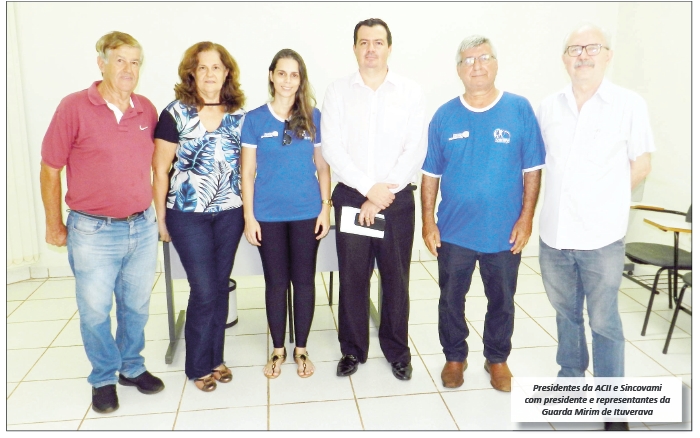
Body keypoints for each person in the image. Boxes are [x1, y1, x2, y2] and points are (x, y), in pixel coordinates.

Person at [537, 24, 653, 431]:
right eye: (574, 49)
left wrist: (606, 202)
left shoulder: (629, 104)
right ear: (564, 58)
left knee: (604, 322)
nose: (582, 55)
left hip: (602, 238)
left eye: (592, 48)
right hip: (554, 237)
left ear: (607, 55)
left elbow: (642, 164)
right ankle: (569, 383)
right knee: (566, 316)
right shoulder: (548, 107)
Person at [40, 31, 163, 414]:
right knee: (95, 311)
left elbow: (159, 165)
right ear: (102, 63)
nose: (129, 69)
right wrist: (54, 224)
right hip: (92, 231)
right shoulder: (74, 107)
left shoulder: (146, 109)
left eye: (135, 62)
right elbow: (50, 169)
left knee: (136, 306)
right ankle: (104, 377)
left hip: (141, 226)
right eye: (120, 60)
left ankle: (131, 366)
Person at [421, 35, 545, 392]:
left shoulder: (519, 109)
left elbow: (533, 169)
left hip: (504, 232)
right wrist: (428, 221)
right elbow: (430, 174)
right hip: (454, 231)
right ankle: (454, 357)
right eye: (468, 60)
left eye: (484, 58)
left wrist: (526, 218)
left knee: (502, 300)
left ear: (496, 64)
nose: (476, 65)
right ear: (458, 69)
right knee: (450, 300)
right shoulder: (444, 115)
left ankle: (497, 358)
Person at [322, 18, 428, 381]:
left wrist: (382, 194)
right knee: (353, 277)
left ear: (389, 48)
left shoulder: (410, 92)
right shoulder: (337, 91)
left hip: (396, 200)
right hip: (353, 197)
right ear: (354, 48)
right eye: (364, 42)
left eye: (378, 42)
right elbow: (332, 148)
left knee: (396, 279)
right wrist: (369, 189)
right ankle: (352, 349)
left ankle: (397, 351)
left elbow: (415, 149)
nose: (371, 49)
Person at [152, 42, 246, 392]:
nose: (209, 74)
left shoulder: (239, 116)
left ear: (227, 72)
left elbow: (247, 169)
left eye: (216, 67)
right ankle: (196, 366)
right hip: (187, 215)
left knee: (219, 287)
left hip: (230, 213)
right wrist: (161, 219)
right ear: (191, 72)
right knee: (204, 289)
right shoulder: (174, 114)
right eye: (202, 67)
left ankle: (215, 358)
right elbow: (160, 170)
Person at [240, 49, 331, 379]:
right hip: (268, 216)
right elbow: (247, 172)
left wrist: (325, 208)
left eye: (294, 75)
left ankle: (301, 348)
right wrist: (249, 217)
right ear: (271, 75)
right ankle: (278, 350)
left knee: (304, 281)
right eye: (282, 73)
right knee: (276, 283)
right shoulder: (254, 120)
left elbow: (323, 167)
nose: (287, 81)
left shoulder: (313, 117)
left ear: (300, 79)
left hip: (307, 212)